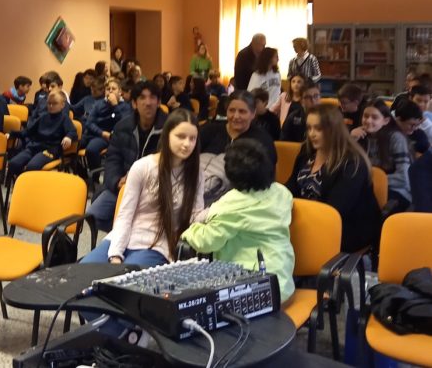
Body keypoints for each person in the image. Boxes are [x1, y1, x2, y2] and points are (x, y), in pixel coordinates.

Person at [81, 108, 204, 267]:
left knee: (122, 282)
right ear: (167, 136)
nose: (187, 144)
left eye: (192, 138)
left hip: (157, 245)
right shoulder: (143, 167)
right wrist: (115, 254)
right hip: (123, 237)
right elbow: (125, 214)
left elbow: (195, 215)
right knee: (82, 272)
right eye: (181, 136)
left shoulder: (196, 173)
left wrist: (220, 211)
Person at [182, 138, 295, 302]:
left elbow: (207, 242)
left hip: (253, 287)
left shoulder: (234, 204)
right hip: (283, 282)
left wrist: (188, 229)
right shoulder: (282, 193)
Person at [286, 104, 380, 252]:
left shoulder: (353, 163)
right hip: (307, 221)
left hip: (344, 228)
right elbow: (290, 187)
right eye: (309, 128)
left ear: (333, 130)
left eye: (318, 129)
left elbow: (335, 209)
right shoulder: (307, 151)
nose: (312, 134)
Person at [87, 81, 167, 231]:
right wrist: (117, 181)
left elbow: (169, 165)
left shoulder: (169, 128)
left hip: (153, 190)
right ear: (135, 104)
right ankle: (127, 233)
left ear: (159, 102)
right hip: (124, 185)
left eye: (152, 98)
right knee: (92, 216)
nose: (148, 103)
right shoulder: (122, 126)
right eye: (142, 98)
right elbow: (112, 159)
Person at [200, 90, 277, 204]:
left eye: (242, 112)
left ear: (253, 114)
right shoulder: (210, 130)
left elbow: (265, 178)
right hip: (201, 191)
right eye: (232, 110)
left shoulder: (262, 140)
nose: (236, 116)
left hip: (243, 198)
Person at [351, 99, 414, 211]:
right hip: (368, 189)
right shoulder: (360, 137)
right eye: (365, 116)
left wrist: (371, 181)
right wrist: (351, 140)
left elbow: (404, 178)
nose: (368, 121)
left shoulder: (395, 138)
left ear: (385, 121)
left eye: (374, 117)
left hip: (397, 191)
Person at [7, 90, 77, 178]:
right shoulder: (43, 117)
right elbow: (28, 132)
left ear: (62, 105)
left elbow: (72, 131)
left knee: (32, 167)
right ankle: (23, 184)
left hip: (49, 150)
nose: (51, 106)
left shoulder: (64, 118)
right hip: (34, 147)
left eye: (54, 103)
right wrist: (12, 133)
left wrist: (68, 137)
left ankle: (31, 187)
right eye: (49, 103)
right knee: (13, 164)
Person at [81, 77, 131, 172]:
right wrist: (101, 132)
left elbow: (124, 123)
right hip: (94, 133)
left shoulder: (125, 106)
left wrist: (115, 105)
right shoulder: (99, 104)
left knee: (91, 149)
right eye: (108, 89)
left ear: (120, 92)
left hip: (107, 137)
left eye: (114, 89)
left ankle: (94, 179)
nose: (110, 91)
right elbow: (89, 122)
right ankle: (82, 175)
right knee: (73, 145)